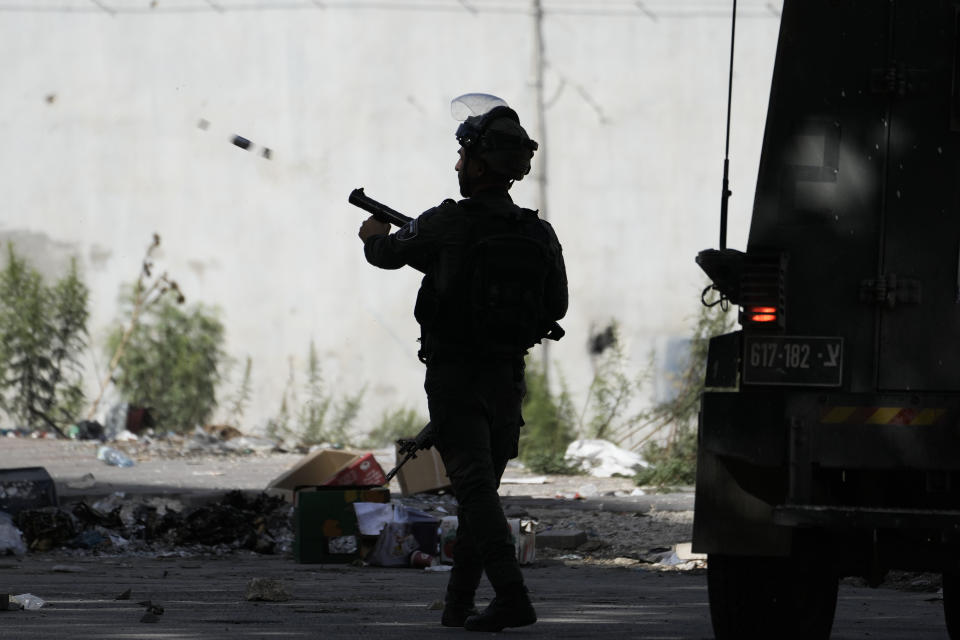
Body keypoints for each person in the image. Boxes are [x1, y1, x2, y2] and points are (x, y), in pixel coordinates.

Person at [358, 94, 568, 632]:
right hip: (507, 380)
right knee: (481, 495)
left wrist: (374, 234)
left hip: (455, 376)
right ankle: (458, 607)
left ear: (478, 165)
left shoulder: (445, 222)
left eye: (462, 157)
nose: (456, 166)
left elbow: (384, 255)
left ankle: (513, 598)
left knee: (474, 491)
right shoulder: (537, 232)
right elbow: (557, 306)